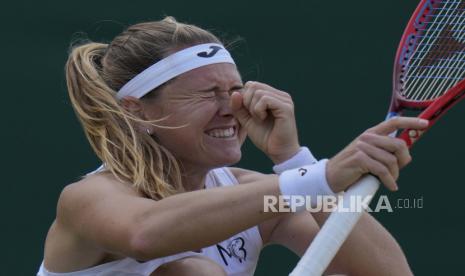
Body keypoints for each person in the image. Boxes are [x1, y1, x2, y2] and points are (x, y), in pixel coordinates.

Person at [38, 17, 427, 276]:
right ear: (138, 112)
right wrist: (322, 176)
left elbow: (388, 274)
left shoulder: (252, 194)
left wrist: (293, 160)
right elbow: (145, 234)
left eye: (235, 90)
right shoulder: (89, 197)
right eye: (207, 94)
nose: (231, 108)